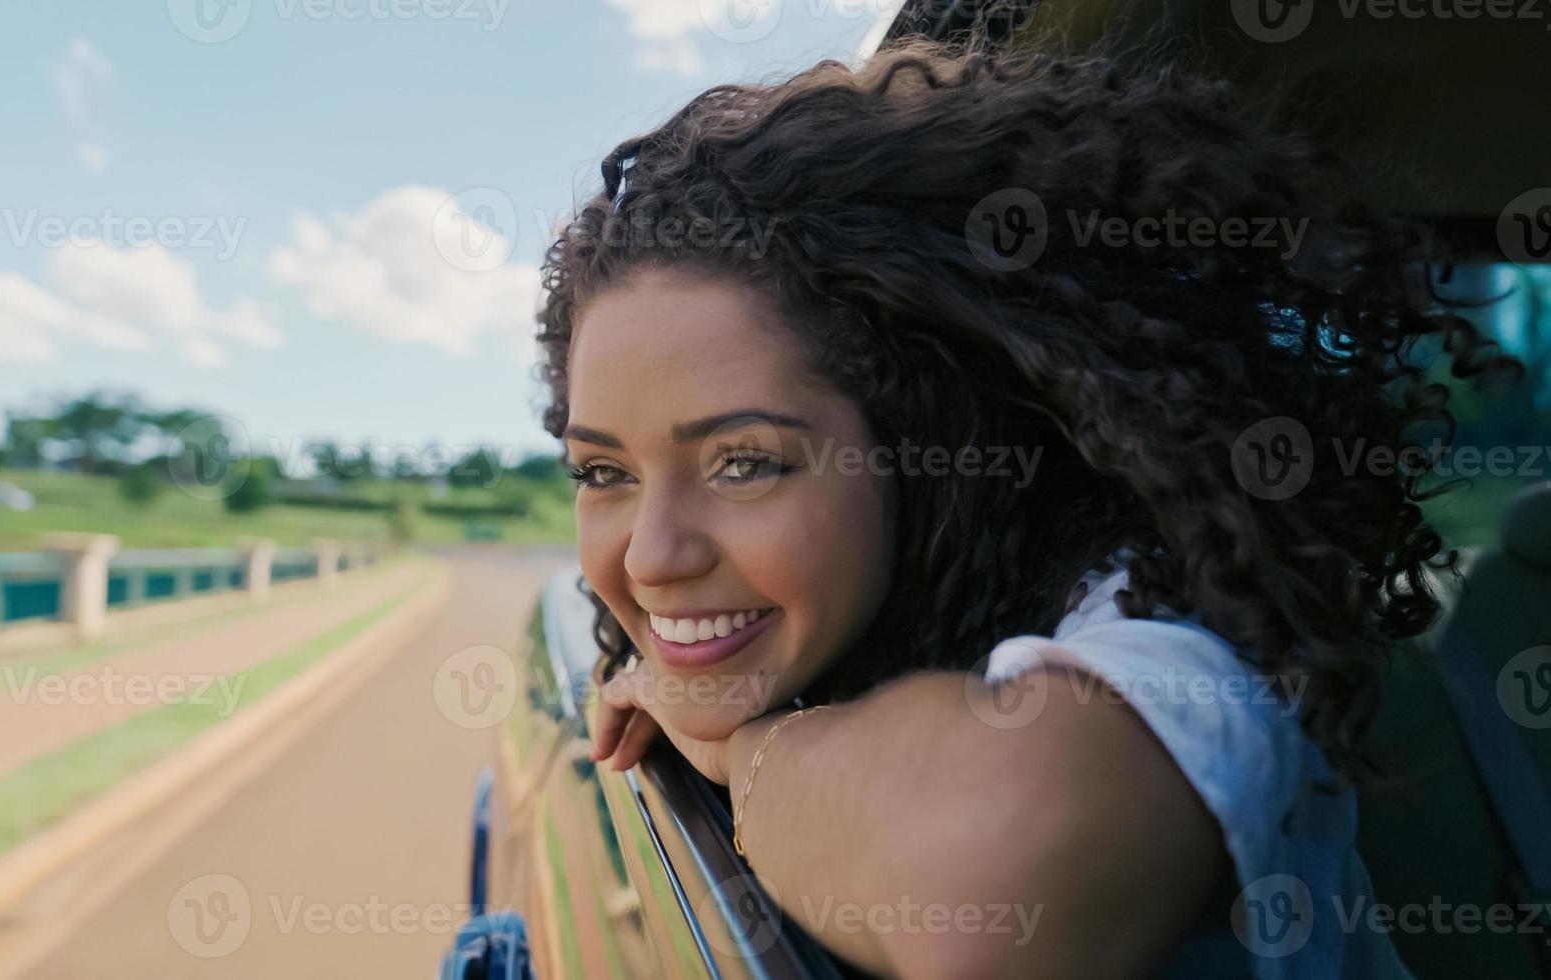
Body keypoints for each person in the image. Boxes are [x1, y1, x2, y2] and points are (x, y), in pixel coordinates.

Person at [535, 37, 1515, 979]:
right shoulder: (856, 634)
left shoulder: (1154, 629)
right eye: (602, 473)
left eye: (743, 461)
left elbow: (994, 886)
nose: (652, 556)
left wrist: (736, 749)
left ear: (933, 446)